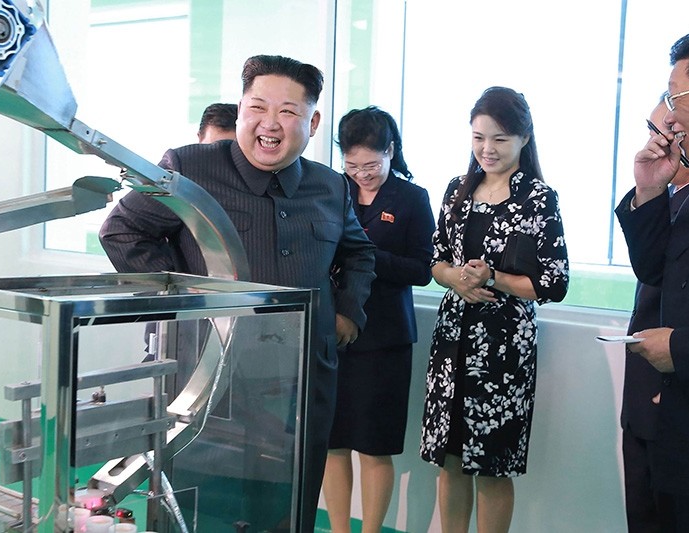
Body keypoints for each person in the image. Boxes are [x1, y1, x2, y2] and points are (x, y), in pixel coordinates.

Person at [99, 54, 376, 530]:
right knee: (204, 507)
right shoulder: (189, 167)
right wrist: (187, 306)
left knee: (291, 508)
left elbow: (359, 254)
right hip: (210, 382)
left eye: (288, 112)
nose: (271, 124)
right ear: (241, 108)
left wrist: (347, 312)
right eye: (258, 107)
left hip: (302, 385)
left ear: (312, 122)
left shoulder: (330, 186)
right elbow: (123, 231)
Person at [419, 87, 569, 533]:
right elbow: (436, 260)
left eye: (500, 139)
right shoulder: (457, 192)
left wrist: (492, 279)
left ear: (524, 138)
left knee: (492, 465)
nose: (487, 149)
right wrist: (456, 279)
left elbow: (553, 283)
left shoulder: (539, 198)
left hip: (504, 351)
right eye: (478, 137)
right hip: (453, 341)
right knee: (451, 461)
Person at [322, 106, 435, 533]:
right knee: (333, 444)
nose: (362, 174)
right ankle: (337, 529)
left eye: (371, 165)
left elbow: (422, 269)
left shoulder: (412, 198)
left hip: (385, 337)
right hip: (332, 330)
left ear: (391, 151)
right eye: (352, 165)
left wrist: (366, 256)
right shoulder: (332, 189)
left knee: (373, 446)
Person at [616, 31, 689, 531]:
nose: (667, 117)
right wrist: (647, 190)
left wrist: (684, 350)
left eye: (673, 94)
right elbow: (653, 272)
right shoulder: (677, 192)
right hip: (653, 408)